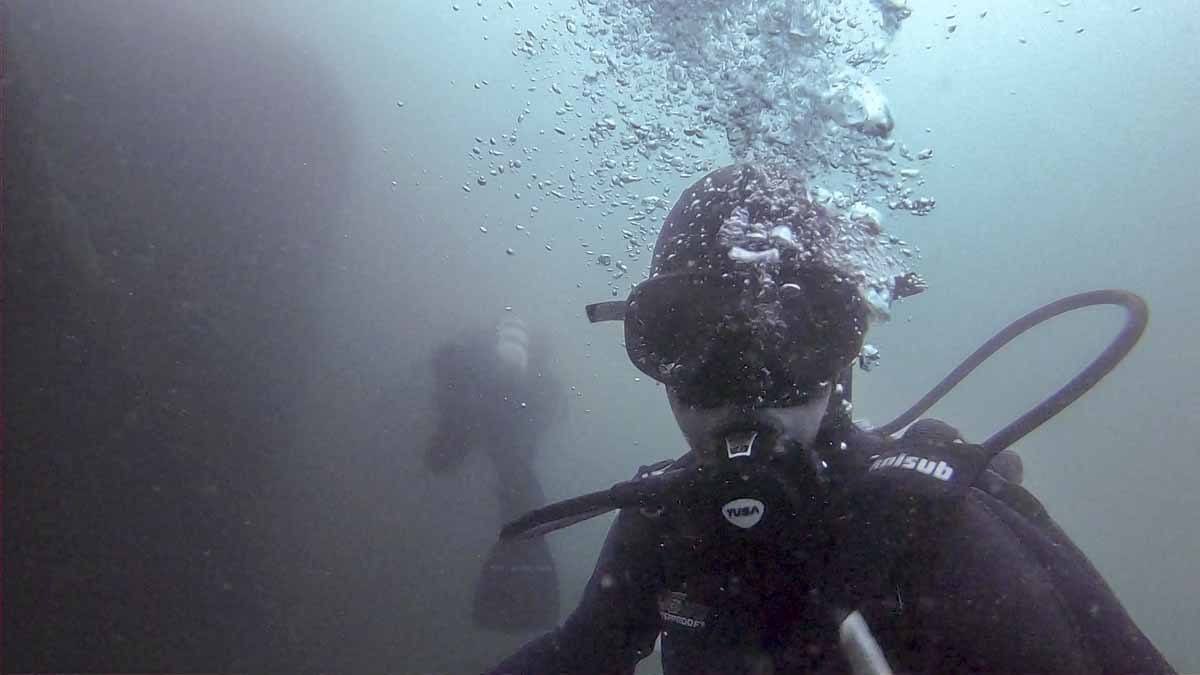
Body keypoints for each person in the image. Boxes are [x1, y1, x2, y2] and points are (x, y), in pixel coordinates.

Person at [484, 164, 1175, 674]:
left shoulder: (932, 531)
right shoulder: (664, 526)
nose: (744, 388)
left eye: (796, 337)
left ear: (842, 359)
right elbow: (581, 652)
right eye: (684, 333)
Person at [425, 315, 566, 633]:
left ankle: (516, 586)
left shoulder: (474, 372)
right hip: (507, 415)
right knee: (517, 486)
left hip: (496, 410)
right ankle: (521, 588)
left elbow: (442, 457)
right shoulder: (521, 385)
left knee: (512, 483)